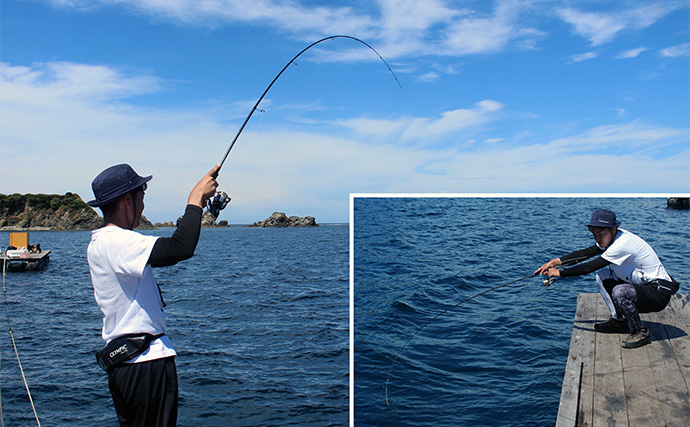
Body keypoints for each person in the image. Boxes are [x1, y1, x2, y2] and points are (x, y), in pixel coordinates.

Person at [87, 163, 219, 426]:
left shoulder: (106, 243)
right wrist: (194, 200)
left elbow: (173, 245)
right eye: (141, 196)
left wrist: (198, 208)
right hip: (143, 364)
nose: (144, 205)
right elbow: (179, 248)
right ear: (127, 200)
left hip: (128, 364)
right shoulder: (115, 241)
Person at [535, 209, 679, 349]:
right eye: (594, 233)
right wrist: (554, 262)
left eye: (600, 233)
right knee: (603, 275)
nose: (597, 238)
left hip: (658, 294)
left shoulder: (622, 245)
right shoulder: (612, 239)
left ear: (613, 229)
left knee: (620, 291)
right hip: (642, 285)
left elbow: (589, 267)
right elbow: (586, 253)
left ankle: (641, 332)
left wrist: (559, 273)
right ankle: (619, 322)